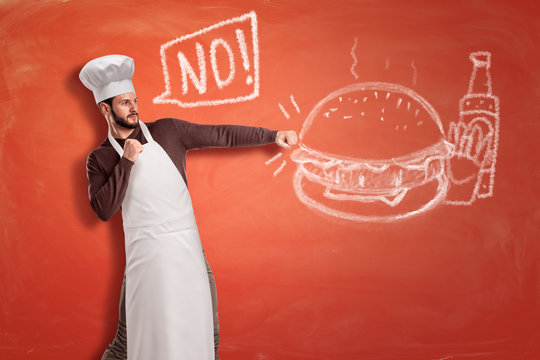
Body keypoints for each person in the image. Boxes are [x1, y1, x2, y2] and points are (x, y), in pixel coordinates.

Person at [80, 55, 297, 360]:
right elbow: (104, 210)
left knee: (208, 335)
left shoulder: (168, 132)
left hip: (188, 251)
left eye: (135, 100)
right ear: (105, 108)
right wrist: (126, 161)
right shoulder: (100, 158)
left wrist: (272, 135)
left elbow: (221, 134)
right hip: (144, 260)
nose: (133, 108)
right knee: (125, 344)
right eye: (124, 103)